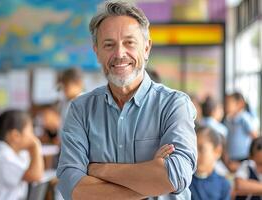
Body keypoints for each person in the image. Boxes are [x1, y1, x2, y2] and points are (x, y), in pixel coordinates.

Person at [57, 1, 197, 200]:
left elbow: (175, 177)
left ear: (146, 48)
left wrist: (99, 170)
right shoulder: (81, 109)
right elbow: (72, 187)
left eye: (129, 42)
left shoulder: (174, 105)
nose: (120, 54)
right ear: (96, 51)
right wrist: (150, 177)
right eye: (109, 45)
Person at [0, 110, 44, 200]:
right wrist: (36, 146)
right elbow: (35, 176)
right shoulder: (2, 158)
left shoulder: (18, 154)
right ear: (15, 135)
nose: (33, 136)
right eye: (31, 131)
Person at [189, 126, 231, 200]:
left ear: (217, 151)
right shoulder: (184, 180)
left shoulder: (223, 185)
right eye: (193, 149)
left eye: (201, 149)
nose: (195, 155)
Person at [224, 92, 258, 172]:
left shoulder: (244, 119)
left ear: (239, 104)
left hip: (244, 157)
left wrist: (253, 156)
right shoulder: (227, 120)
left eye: (229, 103)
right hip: (232, 158)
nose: (226, 105)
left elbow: (254, 136)